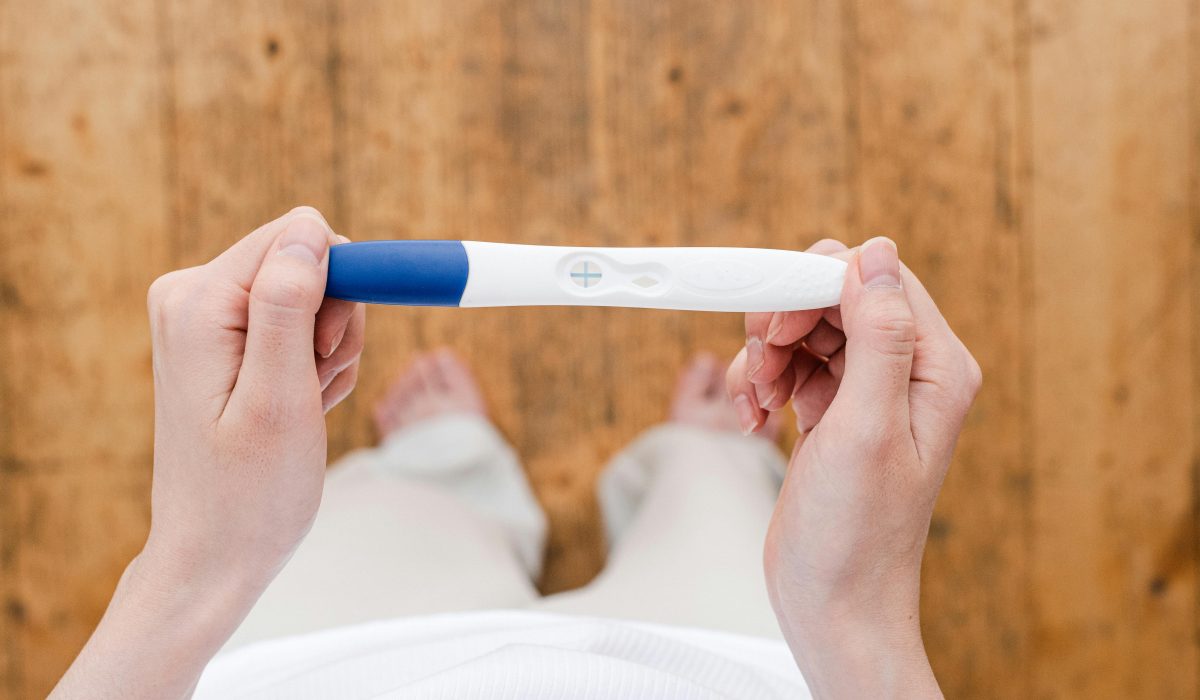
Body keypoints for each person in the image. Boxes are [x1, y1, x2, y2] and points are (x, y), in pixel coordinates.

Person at [50, 207, 981, 699]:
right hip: (755, 666)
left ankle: (443, 461)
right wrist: (854, 622)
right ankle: (707, 456)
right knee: (718, 486)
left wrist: (193, 569)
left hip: (315, 660)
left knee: (398, 503)